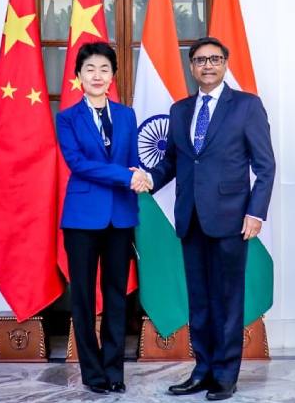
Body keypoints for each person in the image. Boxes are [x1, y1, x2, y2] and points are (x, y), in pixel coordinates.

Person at [145, 36, 275, 401]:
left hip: (232, 219)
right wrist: (150, 179)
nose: (207, 65)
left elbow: (265, 166)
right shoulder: (180, 110)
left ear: (225, 64)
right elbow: (173, 161)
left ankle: (225, 375)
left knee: (228, 300)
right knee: (199, 301)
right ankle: (202, 370)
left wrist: (256, 212)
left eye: (215, 59)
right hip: (190, 219)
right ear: (191, 67)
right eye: (200, 60)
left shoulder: (247, 106)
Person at [56, 41, 149, 395]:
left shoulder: (126, 115)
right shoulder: (67, 118)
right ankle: (92, 374)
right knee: (82, 297)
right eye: (90, 69)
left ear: (113, 76)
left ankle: (114, 371)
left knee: (116, 296)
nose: (97, 75)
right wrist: (126, 176)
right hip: (81, 219)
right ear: (79, 75)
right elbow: (78, 164)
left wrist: (138, 174)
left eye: (104, 69)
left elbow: (132, 160)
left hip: (120, 217)